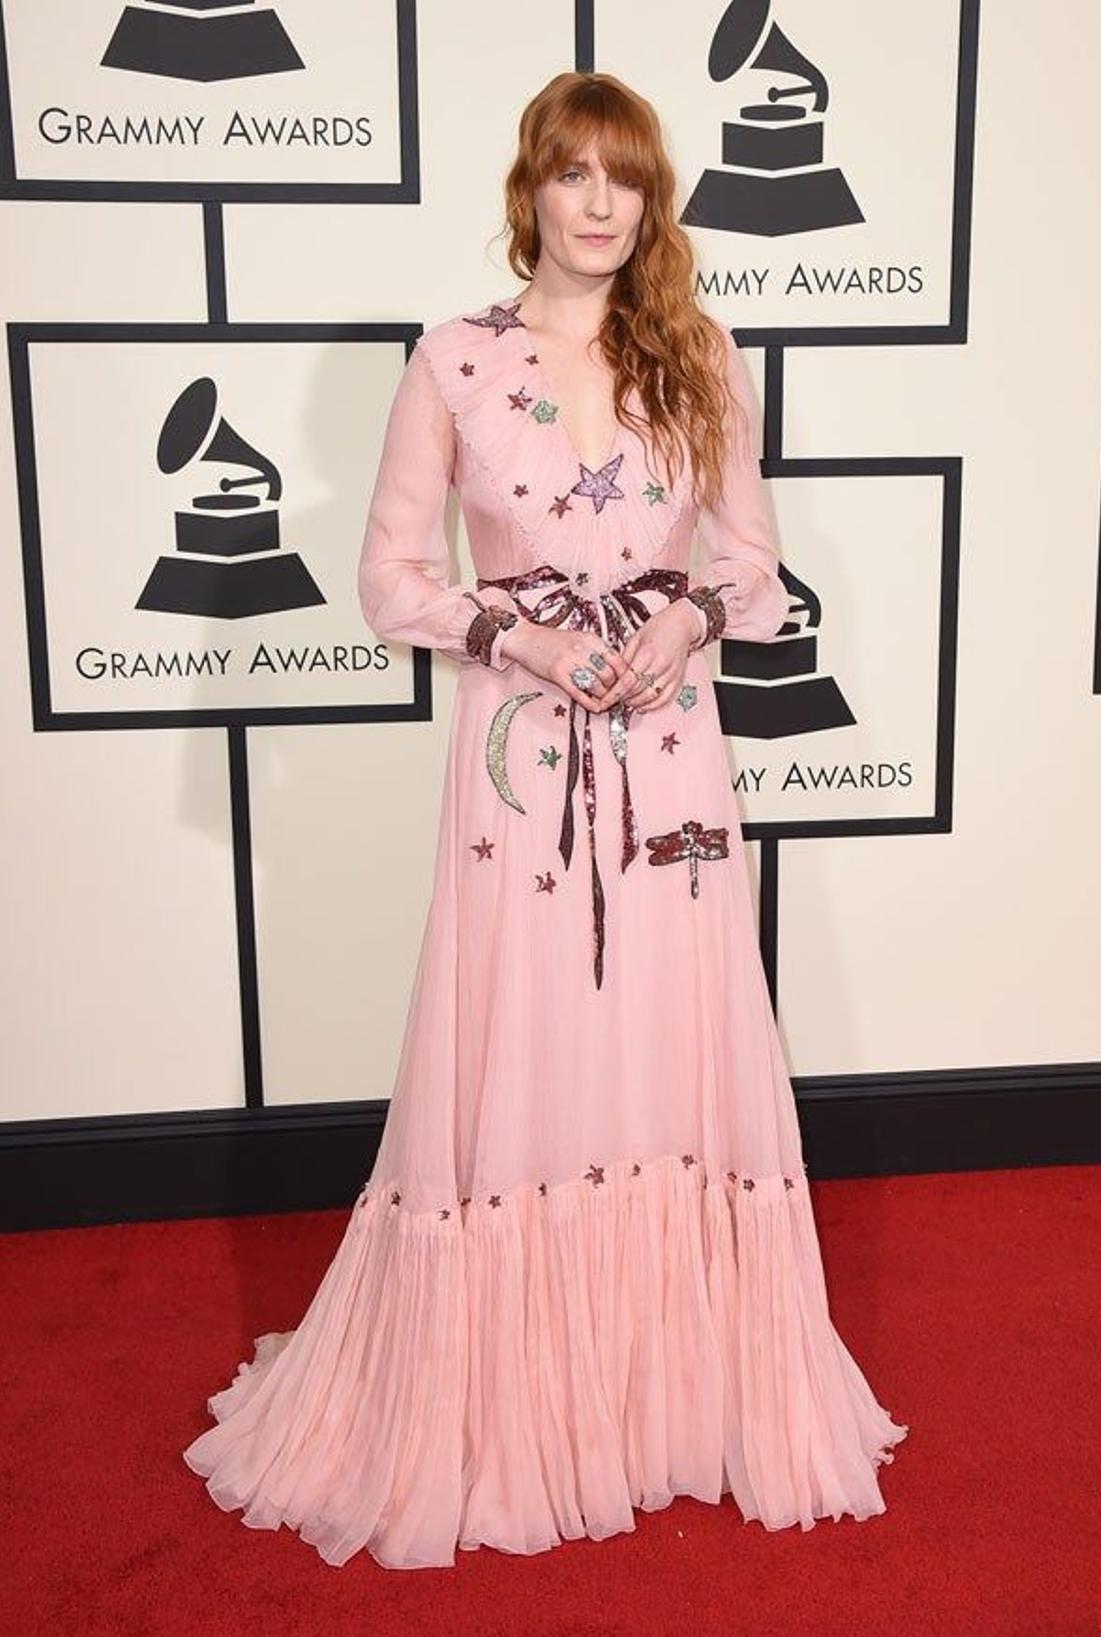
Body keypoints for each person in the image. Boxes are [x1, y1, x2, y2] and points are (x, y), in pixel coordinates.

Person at [182, 70, 907, 1571]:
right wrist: (517, 634)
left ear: (652, 201)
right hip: (520, 767)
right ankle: (506, 1412)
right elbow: (389, 580)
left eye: (623, 178)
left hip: (673, 753)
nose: (596, 202)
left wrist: (688, 616)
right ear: (532, 188)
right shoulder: (452, 360)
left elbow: (760, 572)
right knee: (524, 1056)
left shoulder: (698, 352)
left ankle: (681, 1403)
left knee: (668, 1046)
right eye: (571, 173)